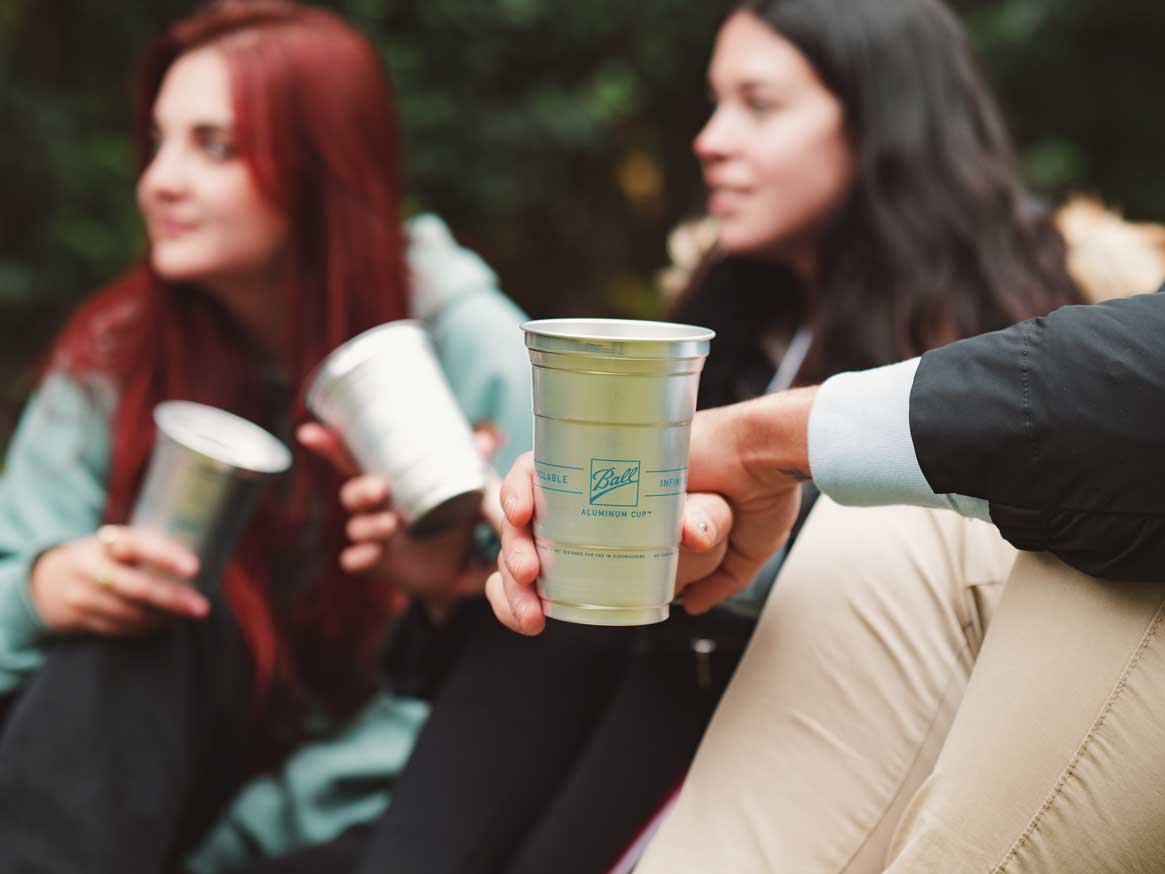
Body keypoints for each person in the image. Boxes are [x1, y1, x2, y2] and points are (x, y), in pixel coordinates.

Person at [400, 0, 1085, 870]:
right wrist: (454, 573)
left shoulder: (997, 365)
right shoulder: (726, 320)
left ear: (882, 123)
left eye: (757, 106)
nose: (709, 139)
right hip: (610, 718)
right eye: (714, 103)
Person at [0, 2, 533, 872]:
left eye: (214, 146)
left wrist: (235, 846)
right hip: (108, 794)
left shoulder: (460, 343)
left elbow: (520, 672)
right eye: (158, 141)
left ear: (324, 171)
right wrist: (41, 590)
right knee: (139, 624)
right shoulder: (120, 350)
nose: (158, 181)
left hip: (357, 817)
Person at [489, 274, 1165, 869]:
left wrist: (762, 445)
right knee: (873, 520)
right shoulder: (738, 307)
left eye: (758, 116)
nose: (709, 140)